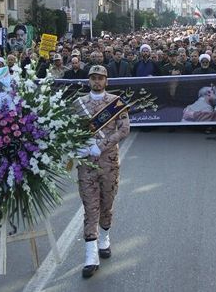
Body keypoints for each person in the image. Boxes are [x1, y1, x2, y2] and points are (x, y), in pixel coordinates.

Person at [75, 65, 130, 278]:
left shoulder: (116, 103)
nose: (97, 82)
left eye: (100, 78)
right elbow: (69, 130)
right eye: (93, 78)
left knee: (107, 203)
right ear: (88, 80)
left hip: (108, 161)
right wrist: (76, 146)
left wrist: (103, 144)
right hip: (86, 164)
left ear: (106, 81)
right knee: (90, 206)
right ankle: (90, 256)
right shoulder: (77, 104)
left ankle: (104, 239)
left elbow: (125, 128)